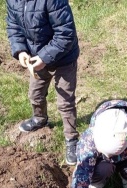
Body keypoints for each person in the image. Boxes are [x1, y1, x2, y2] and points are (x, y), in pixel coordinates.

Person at [6, 0, 80, 165]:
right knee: (35, 93)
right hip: (36, 56)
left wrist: (45, 58)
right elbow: (14, 27)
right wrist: (21, 51)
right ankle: (40, 118)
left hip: (64, 57)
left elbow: (65, 34)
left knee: (65, 102)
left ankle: (71, 139)